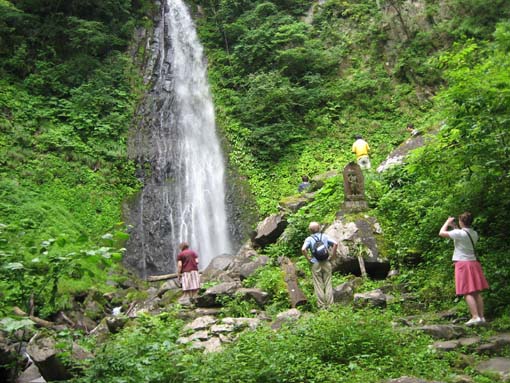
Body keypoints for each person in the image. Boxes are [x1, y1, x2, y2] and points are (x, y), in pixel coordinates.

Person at [439, 212, 489, 326]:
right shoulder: (474, 233)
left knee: (467, 291)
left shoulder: (459, 233)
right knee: (476, 291)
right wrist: (455, 227)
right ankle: (481, 317)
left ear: (461, 222)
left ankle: (475, 317)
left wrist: (447, 222)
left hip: (462, 264)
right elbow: (461, 236)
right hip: (473, 263)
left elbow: (441, 233)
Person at [301, 222, 338, 309]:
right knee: (328, 283)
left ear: (310, 230)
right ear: (319, 228)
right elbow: (335, 244)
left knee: (318, 284)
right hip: (326, 262)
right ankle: (330, 305)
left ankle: (321, 306)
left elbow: (303, 249)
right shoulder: (325, 236)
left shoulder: (309, 239)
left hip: (315, 263)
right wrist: (332, 255)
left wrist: (308, 258)